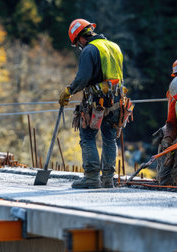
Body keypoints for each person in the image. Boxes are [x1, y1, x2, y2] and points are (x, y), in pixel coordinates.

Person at [59, 19, 131, 189]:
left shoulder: (89, 50)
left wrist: (70, 90)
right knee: (109, 138)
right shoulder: (115, 47)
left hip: (96, 102)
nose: (79, 47)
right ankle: (107, 179)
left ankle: (91, 178)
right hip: (116, 101)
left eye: (77, 44)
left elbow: (83, 79)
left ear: (80, 38)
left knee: (88, 136)